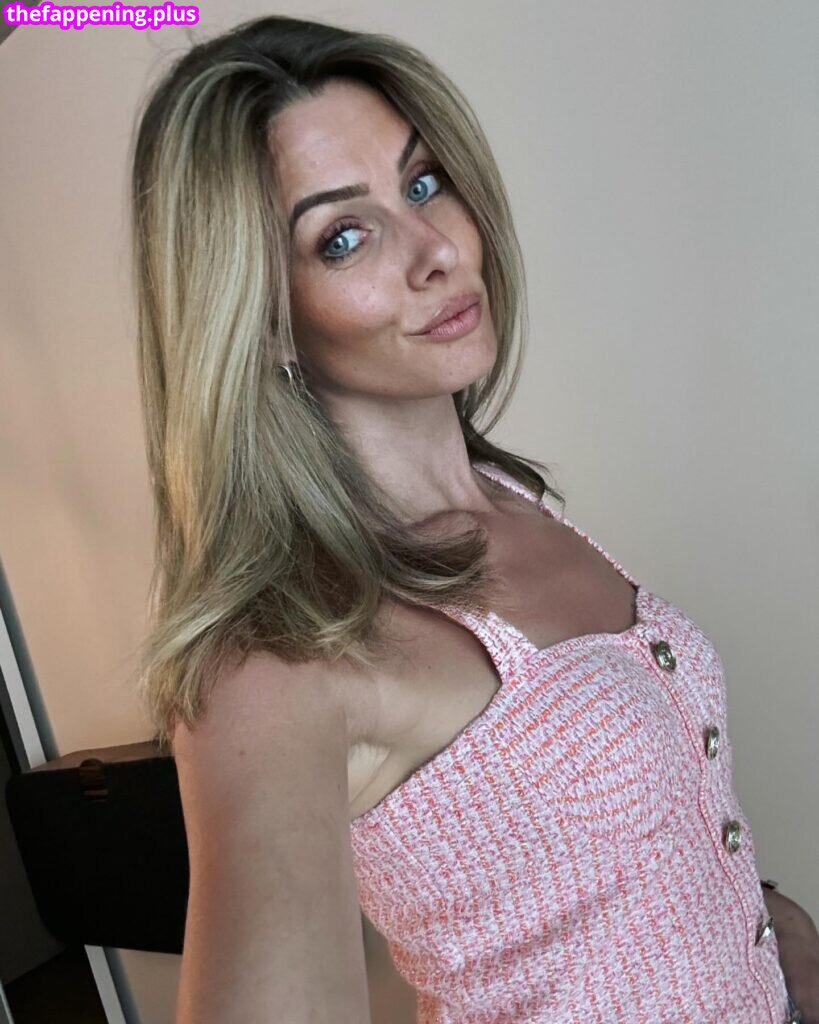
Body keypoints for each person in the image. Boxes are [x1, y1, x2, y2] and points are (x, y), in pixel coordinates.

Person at [128, 14, 818, 1024]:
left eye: (421, 183)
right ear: (263, 314)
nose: (438, 250)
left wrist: (770, 930)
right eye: (343, 237)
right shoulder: (281, 658)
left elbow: (621, 866)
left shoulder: (513, 501)